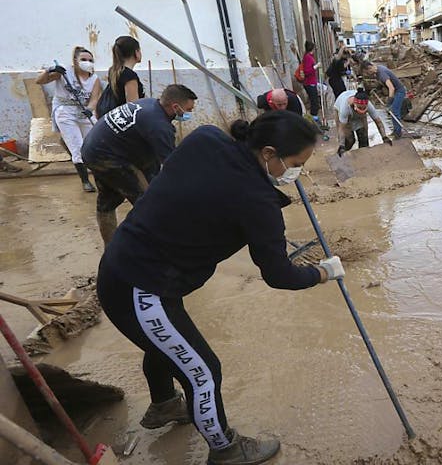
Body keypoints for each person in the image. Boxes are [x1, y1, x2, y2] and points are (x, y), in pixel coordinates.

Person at [96, 110, 342, 465]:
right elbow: (279, 275)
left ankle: (164, 405)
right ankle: (225, 449)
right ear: (269, 153)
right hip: (142, 289)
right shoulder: (258, 203)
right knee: (203, 372)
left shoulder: (205, 139)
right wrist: (322, 273)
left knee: (167, 344)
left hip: (122, 264)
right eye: (295, 164)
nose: (296, 173)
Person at [82, 85, 197, 246]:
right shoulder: (159, 126)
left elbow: (154, 161)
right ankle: (153, 247)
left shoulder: (149, 104)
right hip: (106, 157)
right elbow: (172, 166)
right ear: (175, 107)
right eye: (189, 110)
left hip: (93, 149)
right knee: (148, 203)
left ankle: (111, 249)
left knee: (108, 201)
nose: (189, 113)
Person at [35, 47, 101, 192]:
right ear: (75, 61)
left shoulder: (94, 79)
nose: (87, 62)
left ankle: (101, 177)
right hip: (65, 112)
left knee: (94, 143)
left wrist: (89, 109)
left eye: (90, 60)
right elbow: (39, 81)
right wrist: (50, 70)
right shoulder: (65, 73)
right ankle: (85, 181)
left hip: (83, 112)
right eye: (83, 59)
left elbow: (94, 99)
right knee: (77, 146)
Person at [334, 87, 390, 154]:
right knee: (349, 141)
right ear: (355, 104)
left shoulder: (369, 105)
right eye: (360, 107)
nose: (362, 109)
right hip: (340, 109)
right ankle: (342, 153)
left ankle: (363, 156)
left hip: (360, 116)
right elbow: (342, 128)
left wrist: (384, 137)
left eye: (364, 108)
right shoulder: (344, 109)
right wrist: (342, 145)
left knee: (364, 137)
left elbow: (378, 122)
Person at [361, 61, 408, 139]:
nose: (368, 74)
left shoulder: (382, 73)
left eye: (367, 72)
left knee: (394, 111)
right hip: (395, 91)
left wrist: (389, 102)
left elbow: (391, 88)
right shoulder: (378, 70)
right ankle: (396, 131)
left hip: (399, 91)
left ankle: (398, 133)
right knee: (393, 111)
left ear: (369, 68)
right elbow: (382, 84)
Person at [100, 36, 145, 117]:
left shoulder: (114, 71)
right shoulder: (129, 76)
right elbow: (132, 106)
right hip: (124, 120)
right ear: (136, 52)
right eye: (140, 50)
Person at [300, 40, 321, 125]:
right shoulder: (308, 57)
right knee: (314, 101)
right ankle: (313, 118)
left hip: (312, 82)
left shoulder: (309, 57)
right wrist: (316, 66)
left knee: (314, 100)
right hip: (309, 83)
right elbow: (307, 71)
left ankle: (314, 117)